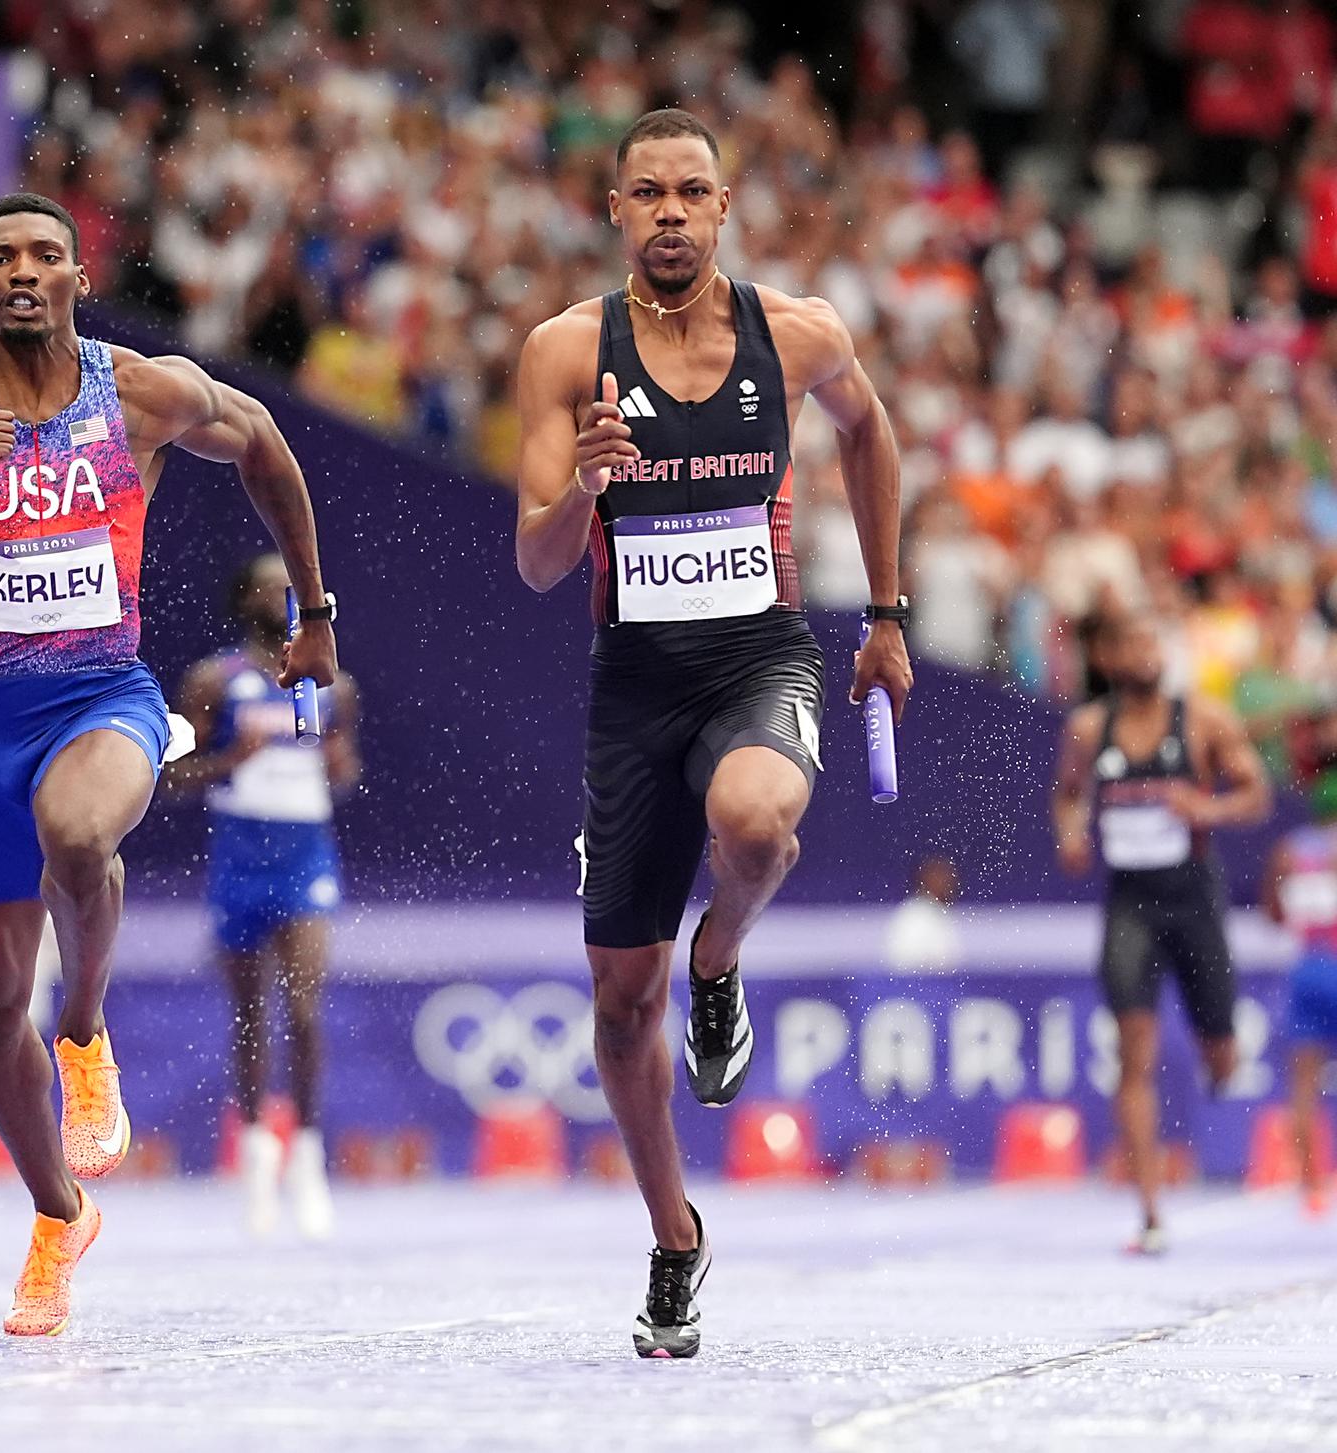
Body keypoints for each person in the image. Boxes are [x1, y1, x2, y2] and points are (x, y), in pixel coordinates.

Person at [0, 192, 337, 1336]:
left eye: (43, 255)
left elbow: (267, 445)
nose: (22, 272)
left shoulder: (144, 391)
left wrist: (313, 608)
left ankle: (82, 1031)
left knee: (77, 835)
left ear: (78, 275)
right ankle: (55, 1216)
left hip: (104, 693)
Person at [511, 110, 913, 1358]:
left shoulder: (797, 333)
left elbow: (870, 433)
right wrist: (581, 485)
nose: (672, 212)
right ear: (615, 209)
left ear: (726, 206)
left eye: (694, 190)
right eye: (649, 193)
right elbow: (534, 565)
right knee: (618, 1006)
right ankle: (675, 1237)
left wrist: (889, 611)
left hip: (761, 654)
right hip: (632, 686)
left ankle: (720, 961)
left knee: (755, 820)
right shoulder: (567, 352)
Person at [1053, 610, 1269, 1253]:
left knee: (1220, 1054)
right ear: (1113, 661)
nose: (1147, 655)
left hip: (1194, 901)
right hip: (1131, 907)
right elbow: (1068, 793)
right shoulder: (1090, 729)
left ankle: (1217, 1056)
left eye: (1155, 644)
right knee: (1133, 1052)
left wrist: (1207, 807)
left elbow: (1255, 793)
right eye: (1134, 646)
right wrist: (1069, 832)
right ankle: (1150, 1213)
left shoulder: (1204, 720)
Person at [164, 552, 361, 1240]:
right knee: (249, 1013)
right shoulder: (214, 680)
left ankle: (306, 1156)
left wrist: (337, 761)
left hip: (306, 854)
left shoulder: (330, 681)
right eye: (274, 585)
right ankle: (254, 1155)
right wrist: (228, 761)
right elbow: (172, 776)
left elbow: (343, 765)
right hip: (240, 857)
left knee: (304, 1010)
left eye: (293, 585)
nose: (286, 593)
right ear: (246, 596)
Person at [1257, 781, 1336, 1219]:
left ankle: (1313, 1189)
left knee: (1304, 1088)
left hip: (1307, 969)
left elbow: (1273, 913)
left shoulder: (1290, 851)